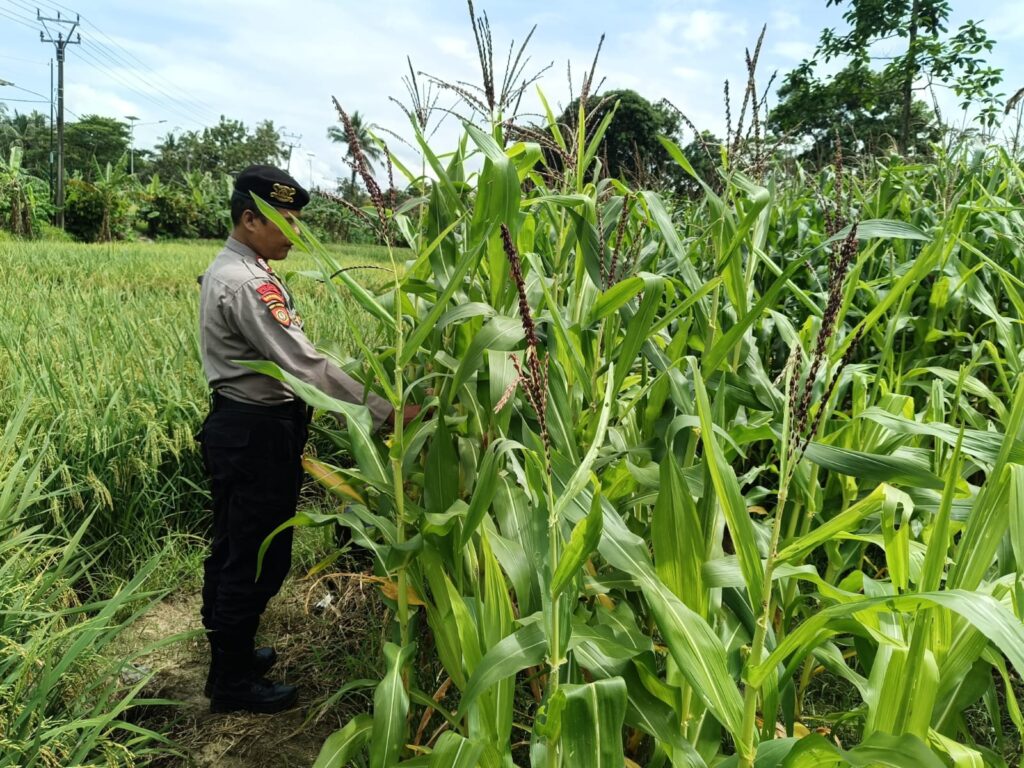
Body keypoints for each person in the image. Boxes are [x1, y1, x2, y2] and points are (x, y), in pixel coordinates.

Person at [197, 165, 413, 714]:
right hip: (256, 432)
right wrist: (389, 412)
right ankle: (230, 682)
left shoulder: (240, 268)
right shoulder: (248, 283)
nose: (296, 232)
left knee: (232, 546)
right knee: (255, 557)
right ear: (250, 219)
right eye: (286, 221)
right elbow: (305, 364)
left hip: (241, 427)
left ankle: (233, 654)